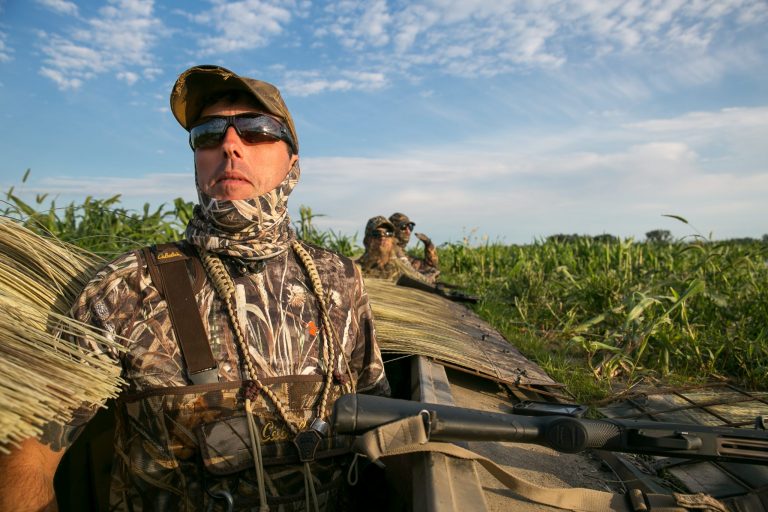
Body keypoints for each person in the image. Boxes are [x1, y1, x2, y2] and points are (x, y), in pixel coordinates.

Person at [0, 65, 389, 512]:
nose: (228, 144)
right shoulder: (127, 288)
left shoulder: (339, 280)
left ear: (293, 165)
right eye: (207, 134)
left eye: (256, 130)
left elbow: (377, 421)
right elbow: (26, 454)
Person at [388, 212, 440, 283]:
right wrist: (427, 279)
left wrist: (428, 243)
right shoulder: (390, 248)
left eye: (410, 227)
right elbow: (408, 273)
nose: (408, 231)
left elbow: (431, 265)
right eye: (403, 227)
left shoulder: (402, 252)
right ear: (394, 229)